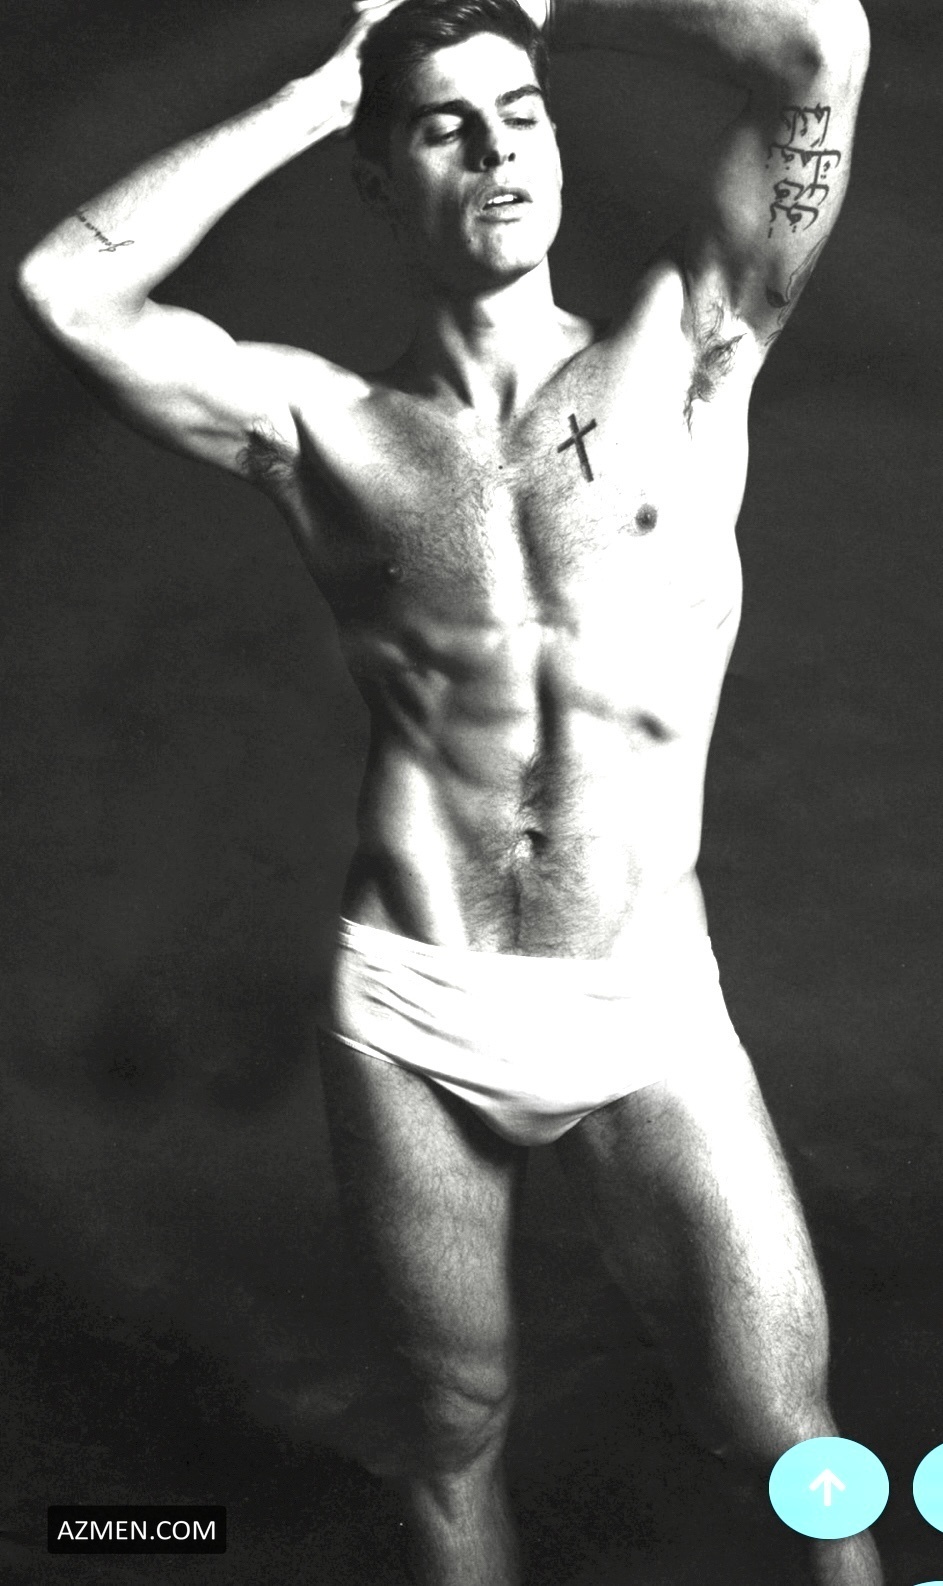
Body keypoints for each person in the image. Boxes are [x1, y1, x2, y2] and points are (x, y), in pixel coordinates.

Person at [14, 0, 876, 1580]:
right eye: (446, 126)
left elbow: (819, 46)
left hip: (642, 995)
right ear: (380, 173)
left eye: (524, 113)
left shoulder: (690, 348)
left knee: (785, 1424)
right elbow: (66, 289)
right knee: (452, 1425)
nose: (499, 152)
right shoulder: (323, 426)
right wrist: (319, 89)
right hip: (415, 996)